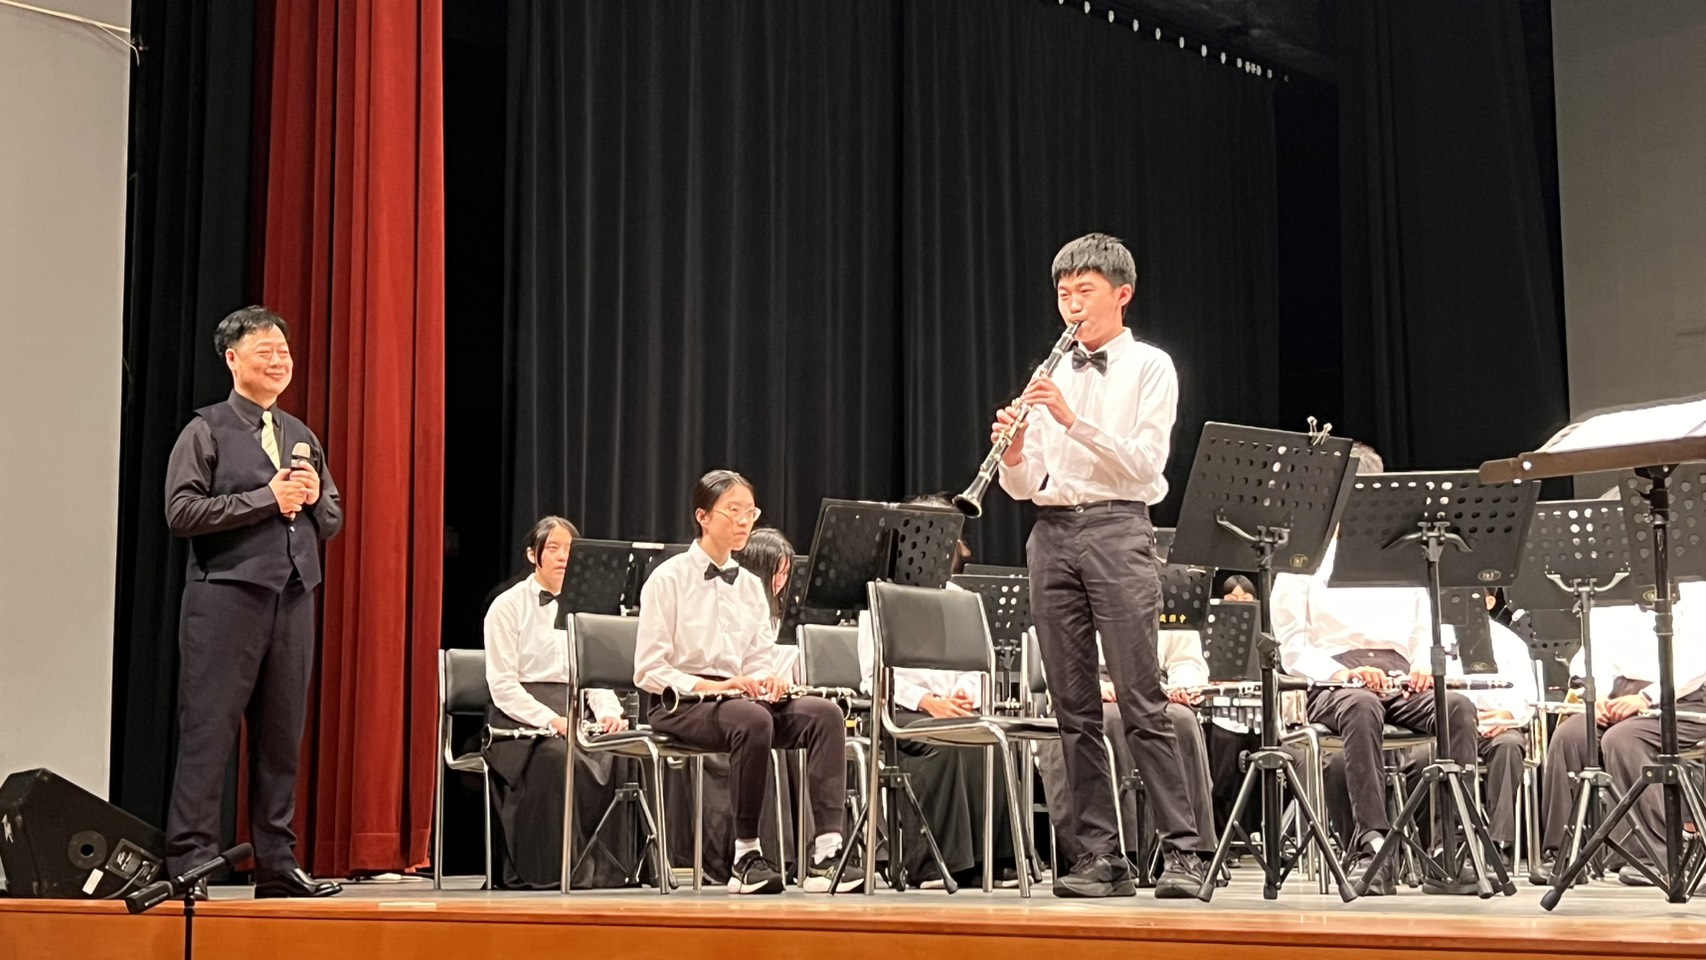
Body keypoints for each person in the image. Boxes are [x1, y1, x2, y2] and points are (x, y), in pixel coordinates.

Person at [992, 233, 1207, 898]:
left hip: (1118, 527)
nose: (1072, 305)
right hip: (1051, 533)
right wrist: (1013, 452)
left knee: (1141, 697)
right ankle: (1098, 856)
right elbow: (1026, 485)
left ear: (1122, 293)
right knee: (1074, 707)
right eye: (1063, 293)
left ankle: (1184, 852)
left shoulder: (1151, 366)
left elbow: (1146, 463)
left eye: (1084, 291)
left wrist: (1072, 419)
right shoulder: (1052, 370)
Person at [162, 306, 343, 898]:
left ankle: (277, 865)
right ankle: (190, 860)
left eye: (284, 351)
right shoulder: (206, 430)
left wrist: (313, 499)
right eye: (265, 351)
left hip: (292, 599)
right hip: (224, 599)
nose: (278, 361)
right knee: (209, 732)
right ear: (233, 359)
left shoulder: (302, 435)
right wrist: (266, 498)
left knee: (281, 737)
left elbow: (332, 518)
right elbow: (182, 512)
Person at [635, 470, 861, 894]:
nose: (743, 521)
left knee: (825, 715)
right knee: (752, 720)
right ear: (703, 517)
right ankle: (745, 855)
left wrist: (769, 680)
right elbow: (649, 669)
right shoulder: (667, 579)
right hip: (680, 701)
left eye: (750, 512)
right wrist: (714, 688)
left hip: (739, 698)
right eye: (733, 511)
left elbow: (759, 659)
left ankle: (826, 853)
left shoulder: (751, 586)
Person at [1272, 442, 1480, 896]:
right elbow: (1292, 647)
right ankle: (1373, 845)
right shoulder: (1302, 560)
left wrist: (1423, 664)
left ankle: (1450, 846)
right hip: (1333, 683)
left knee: (1458, 707)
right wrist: (1344, 674)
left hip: (1400, 679)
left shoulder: (1403, 555)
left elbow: (1426, 632)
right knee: (1362, 706)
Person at [856, 494, 1015, 888]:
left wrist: (964, 694)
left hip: (953, 709)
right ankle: (933, 863)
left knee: (991, 742)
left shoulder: (964, 600)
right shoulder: (879, 596)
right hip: (903, 710)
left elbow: (979, 666)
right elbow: (872, 675)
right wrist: (927, 701)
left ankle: (994, 860)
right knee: (941, 748)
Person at [482, 516, 635, 889]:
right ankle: (552, 870)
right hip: (518, 718)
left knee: (622, 752)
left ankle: (609, 869)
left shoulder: (586, 609)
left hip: (575, 712)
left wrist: (609, 713)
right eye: (553, 548)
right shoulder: (507, 606)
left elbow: (592, 676)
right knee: (555, 757)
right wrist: (552, 720)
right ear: (532, 555)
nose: (563, 557)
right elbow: (503, 686)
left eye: (570, 549)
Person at [1537, 581, 1706, 885]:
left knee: (1623, 740)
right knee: (1569, 737)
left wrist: (1646, 698)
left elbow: (1697, 661)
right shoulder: (1613, 587)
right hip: (1620, 696)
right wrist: (1598, 696)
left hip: (1683, 698)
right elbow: (1595, 654)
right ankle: (1563, 853)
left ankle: (1652, 855)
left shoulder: (1694, 585)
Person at [1037, 625, 1218, 877]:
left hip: (1152, 687)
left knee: (1182, 721)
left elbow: (1186, 659)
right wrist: (1092, 685)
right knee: (1105, 721)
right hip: (1091, 687)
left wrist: (1181, 686)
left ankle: (1191, 852)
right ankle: (1111, 853)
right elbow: (1057, 653)